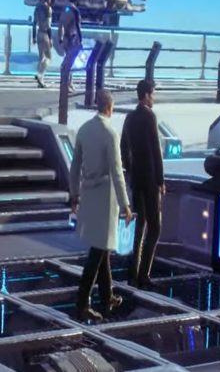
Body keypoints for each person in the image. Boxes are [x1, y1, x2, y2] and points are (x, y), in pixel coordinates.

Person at [69, 88, 132, 321]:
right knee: (98, 251)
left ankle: (107, 296)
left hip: (88, 195)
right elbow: (117, 172)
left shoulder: (84, 130)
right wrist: (125, 204)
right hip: (106, 198)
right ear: (109, 107)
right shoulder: (110, 134)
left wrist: (74, 195)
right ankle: (82, 303)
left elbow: (75, 166)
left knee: (102, 247)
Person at [120, 79, 166, 289]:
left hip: (136, 178)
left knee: (139, 226)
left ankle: (133, 273)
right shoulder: (150, 116)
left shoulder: (130, 117)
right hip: (150, 179)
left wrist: (131, 169)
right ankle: (144, 275)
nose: (154, 98)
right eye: (153, 94)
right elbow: (156, 150)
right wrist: (160, 180)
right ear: (146, 95)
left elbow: (123, 147)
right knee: (154, 227)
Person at [57, 0, 82, 92]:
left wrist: (60, 38)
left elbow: (60, 25)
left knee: (69, 60)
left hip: (66, 38)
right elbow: (77, 26)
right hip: (73, 38)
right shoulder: (75, 11)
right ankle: (66, 83)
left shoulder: (65, 9)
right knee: (69, 62)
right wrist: (80, 39)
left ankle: (68, 82)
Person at [32, 0, 52, 88]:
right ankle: (40, 74)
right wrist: (50, 38)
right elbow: (48, 25)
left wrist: (33, 36)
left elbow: (34, 23)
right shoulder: (47, 8)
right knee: (48, 57)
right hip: (45, 34)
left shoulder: (37, 7)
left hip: (38, 33)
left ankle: (41, 80)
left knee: (41, 57)